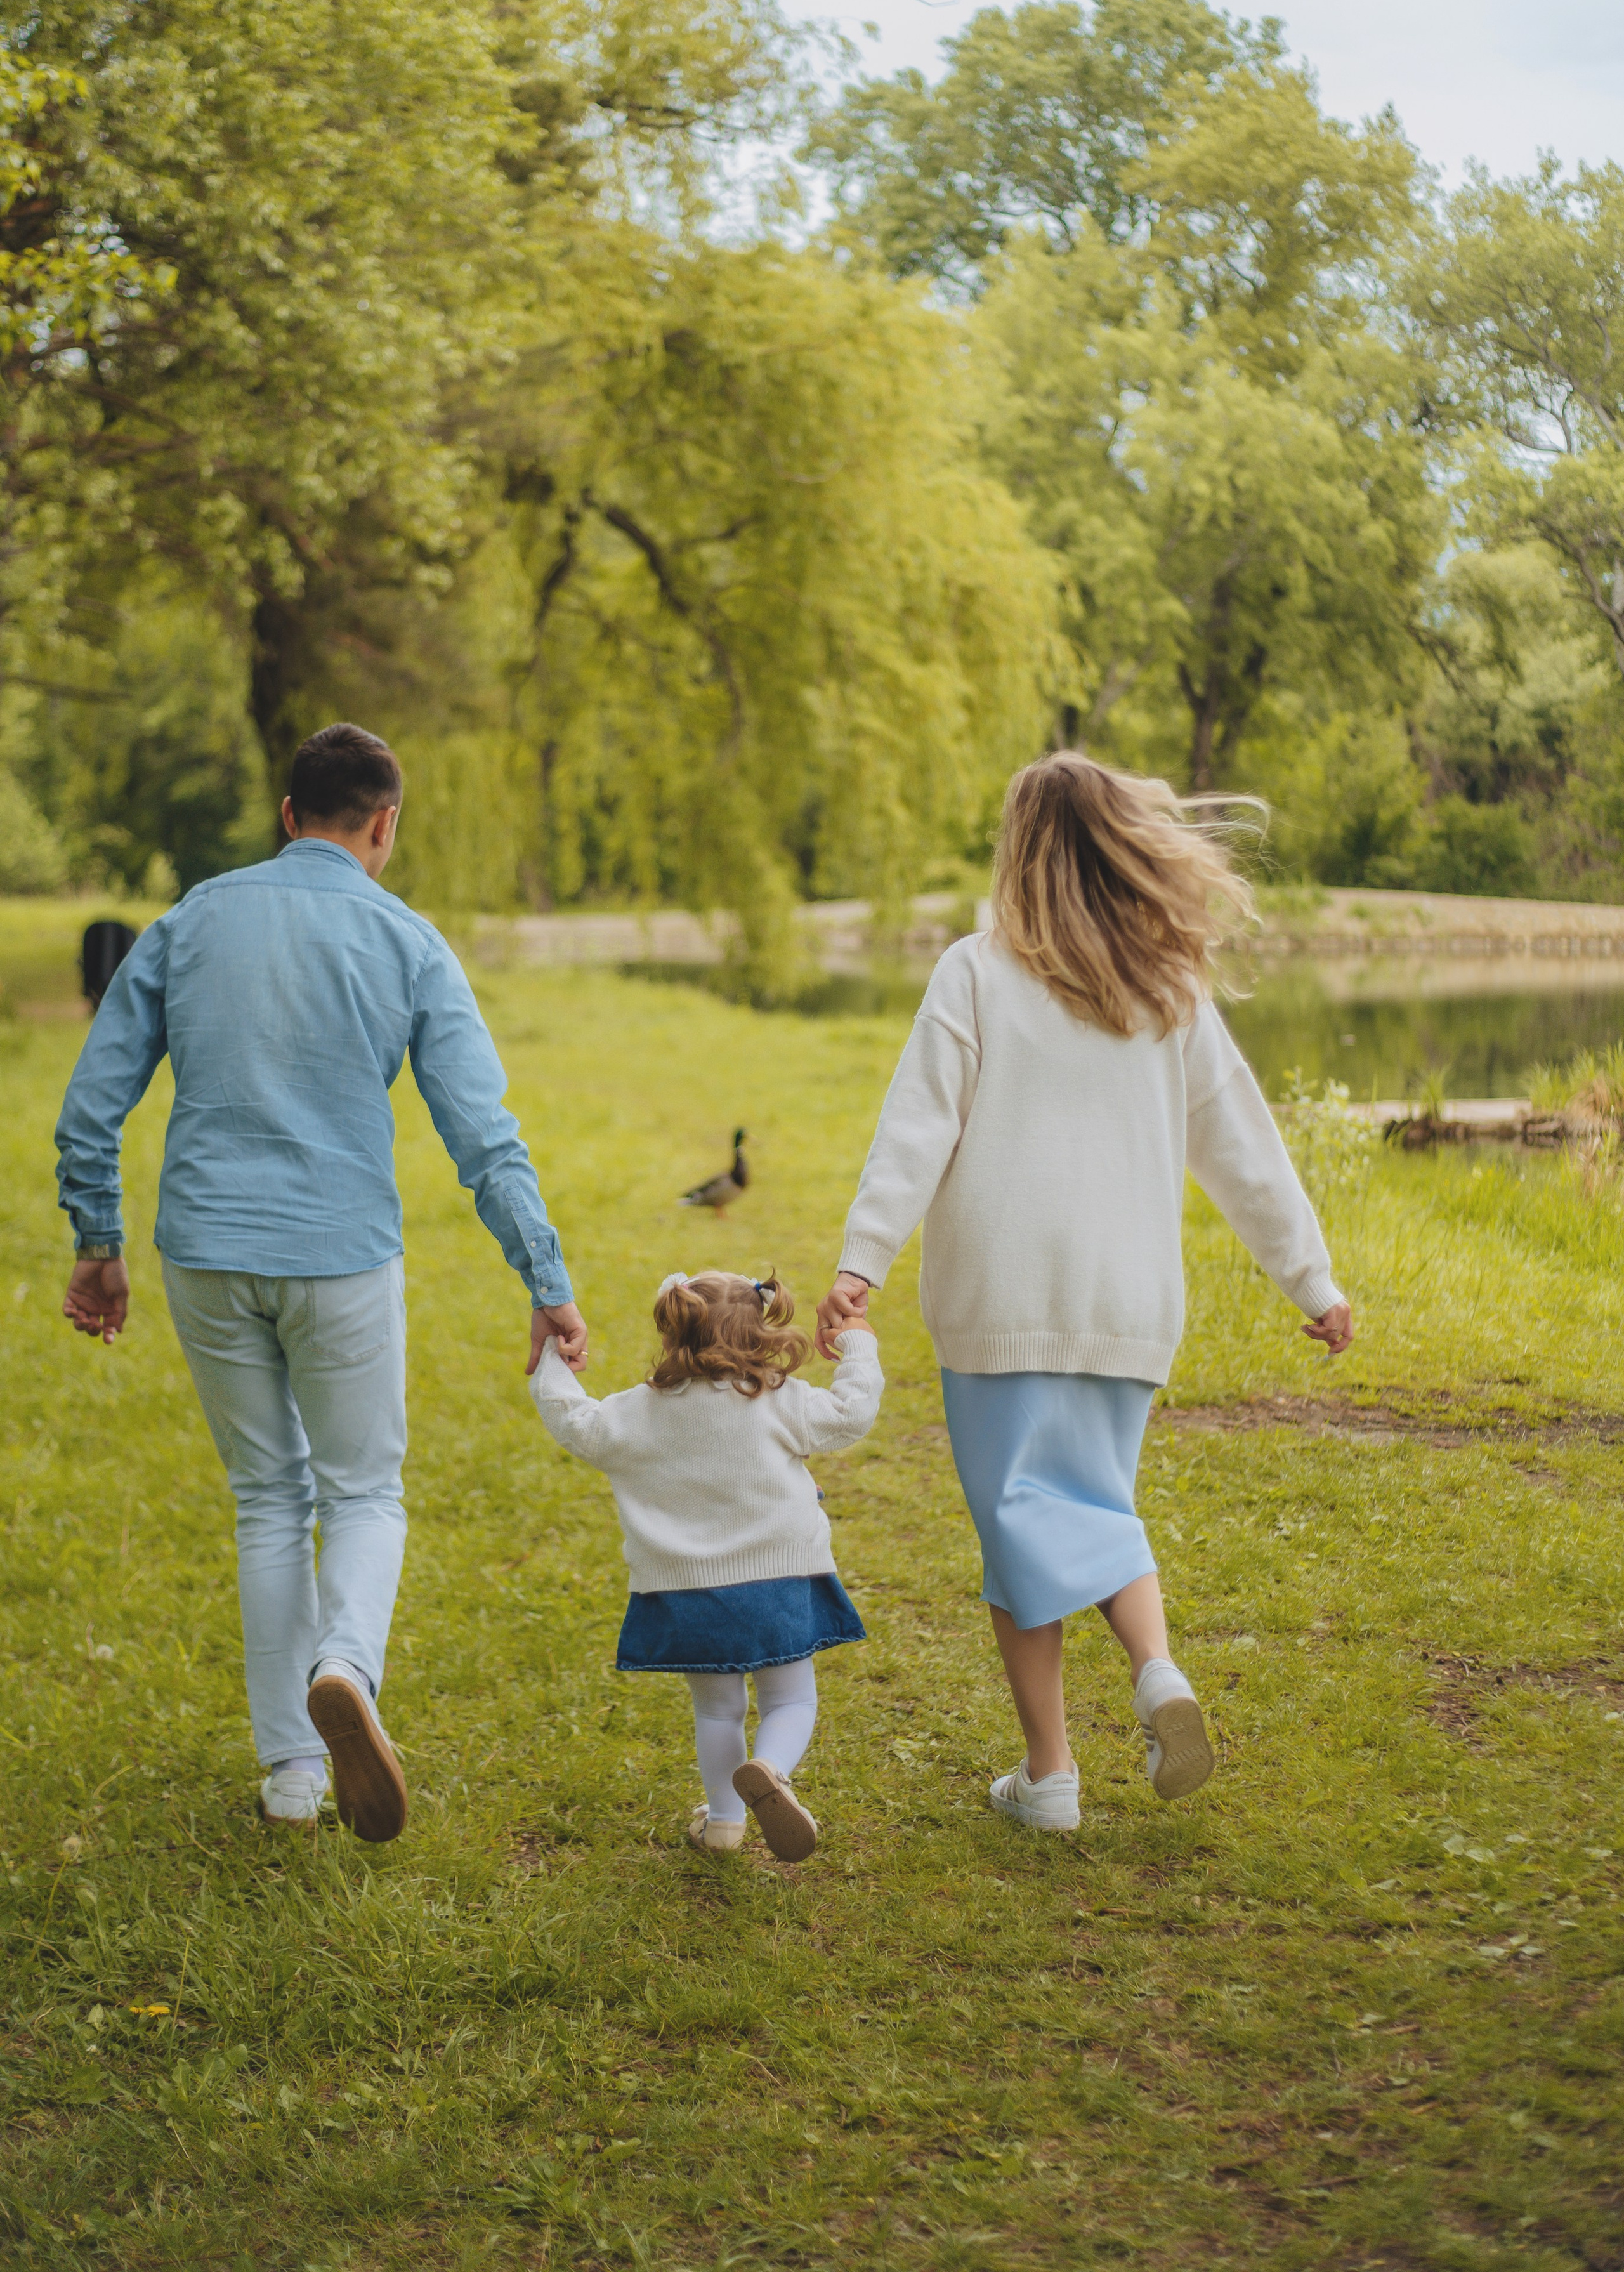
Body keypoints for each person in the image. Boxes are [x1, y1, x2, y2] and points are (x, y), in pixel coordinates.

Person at [55, 722, 586, 1844]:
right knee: (362, 1492)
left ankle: (295, 1774)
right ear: (384, 825)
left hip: (203, 1249)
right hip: (340, 1254)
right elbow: (483, 1134)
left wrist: (97, 1244)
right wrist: (544, 1276)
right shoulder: (407, 941)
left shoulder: (192, 918)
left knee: (267, 1497)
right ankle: (345, 1664)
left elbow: (93, 1101)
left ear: (289, 814)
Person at [816, 752, 1353, 1833]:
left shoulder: (975, 973)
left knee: (1021, 1528)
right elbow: (1244, 1148)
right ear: (1122, 852)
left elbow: (916, 1128)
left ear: (1020, 855)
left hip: (1001, 1299)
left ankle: (1056, 1769)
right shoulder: (1168, 993)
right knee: (1095, 1504)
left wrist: (861, 1260)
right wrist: (1312, 1276)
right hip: (1128, 1306)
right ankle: (1142, 1686)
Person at [532, 1270, 881, 1861]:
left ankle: (723, 1822)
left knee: (718, 1709)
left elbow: (571, 1419)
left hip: (686, 1593)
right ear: (761, 1333)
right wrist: (858, 1343)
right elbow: (852, 1413)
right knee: (791, 1700)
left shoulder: (634, 1413)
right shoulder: (780, 1398)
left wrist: (553, 1359)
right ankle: (769, 1769)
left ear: (673, 1333)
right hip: (782, 1578)